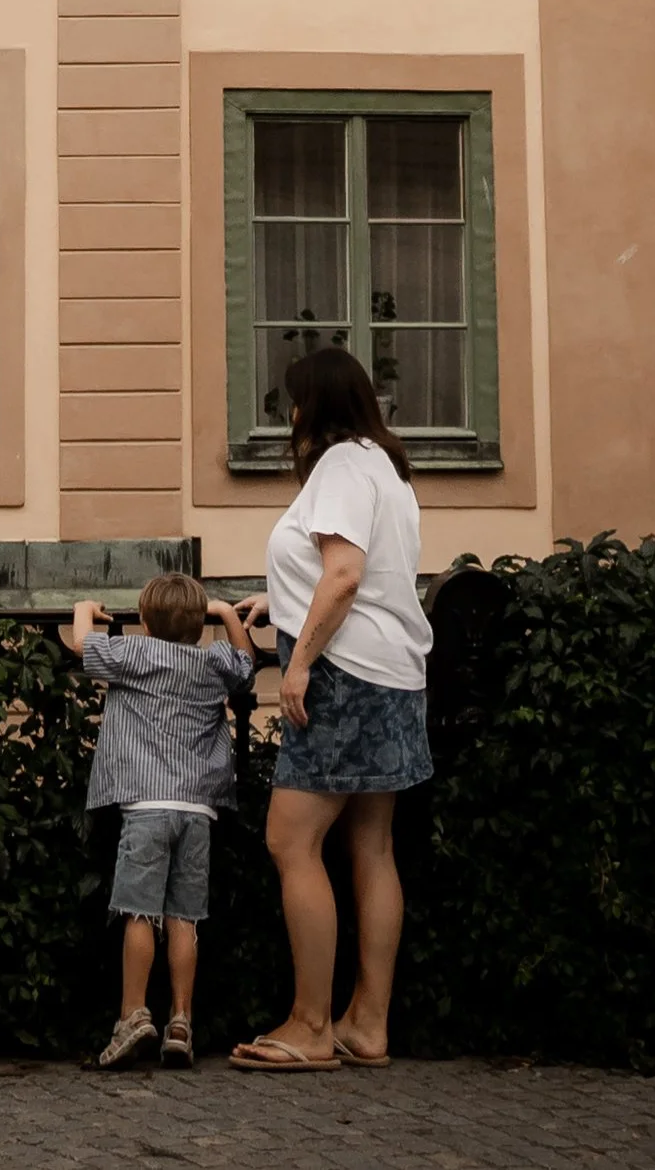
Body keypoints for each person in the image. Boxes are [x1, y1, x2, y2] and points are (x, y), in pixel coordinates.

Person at [229, 343, 434, 1073]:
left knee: (291, 840)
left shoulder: (342, 465)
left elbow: (345, 576)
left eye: (292, 400)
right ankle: (366, 1025)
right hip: (394, 674)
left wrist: (300, 662)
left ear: (313, 405)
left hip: (344, 676)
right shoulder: (386, 467)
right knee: (371, 847)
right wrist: (277, 600)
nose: (287, 414)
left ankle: (311, 1026)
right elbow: (356, 574)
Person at [67, 568, 256, 1070]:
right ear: (199, 625)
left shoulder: (134, 653)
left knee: (138, 911)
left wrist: (86, 606)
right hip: (196, 808)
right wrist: (223, 613)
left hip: (145, 804)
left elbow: (83, 644)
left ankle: (133, 1015)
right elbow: (246, 663)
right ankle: (181, 1022)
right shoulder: (212, 662)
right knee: (184, 918)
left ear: (145, 621)